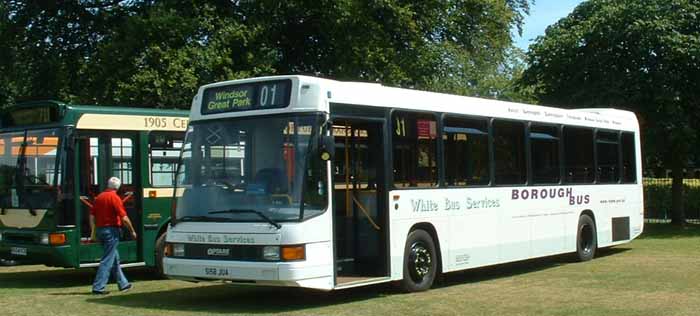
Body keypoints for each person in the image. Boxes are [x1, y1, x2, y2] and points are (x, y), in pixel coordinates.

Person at [90, 177, 137, 295]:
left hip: (100, 230)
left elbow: (91, 216)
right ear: (118, 187)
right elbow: (124, 218)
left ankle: (123, 284)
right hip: (111, 231)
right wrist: (132, 231)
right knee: (107, 260)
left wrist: (93, 231)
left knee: (114, 258)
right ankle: (98, 287)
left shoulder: (99, 197)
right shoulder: (115, 198)